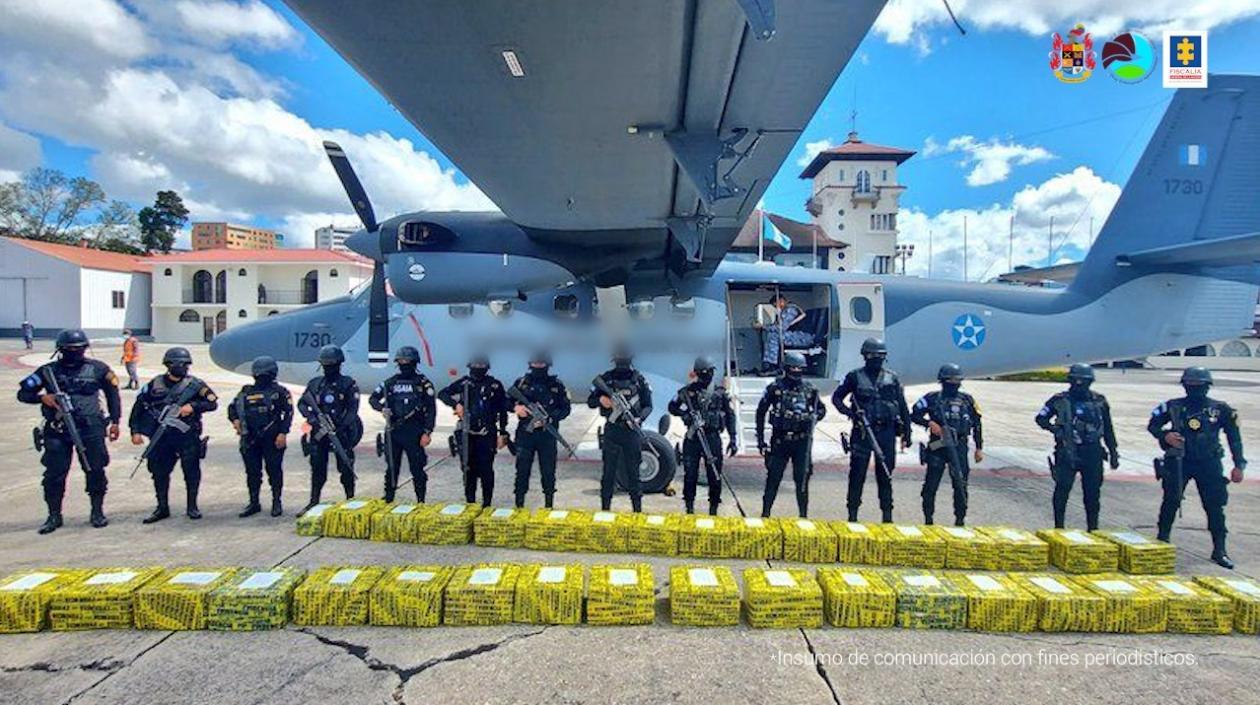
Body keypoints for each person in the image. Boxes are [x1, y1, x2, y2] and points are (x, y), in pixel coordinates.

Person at [18, 329, 121, 533]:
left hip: (90, 428)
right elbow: (23, 393)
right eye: (69, 349)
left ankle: (97, 512)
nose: (74, 353)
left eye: (78, 349)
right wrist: (42, 398)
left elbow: (113, 395)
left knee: (95, 469)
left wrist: (115, 422)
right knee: (54, 474)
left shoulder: (99, 369)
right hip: (58, 430)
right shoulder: (48, 371)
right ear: (60, 350)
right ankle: (54, 515)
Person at [1148, 367, 1246, 568]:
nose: (1194, 389)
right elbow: (1153, 425)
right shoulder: (1172, 406)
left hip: (1209, 463)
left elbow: (1234, 438)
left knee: (1214, 506)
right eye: (1191, 385)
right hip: (1180, 461)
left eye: (1198, 386)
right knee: (1171, 501)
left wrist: (1239, 465)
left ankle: (1220, 550)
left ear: (1207, 387)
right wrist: (1165, 436)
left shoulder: (1221, 409)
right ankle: (1162, 541)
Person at [129, 347, 217, 523]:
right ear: (169, 365)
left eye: (186, 365)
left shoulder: (195, 385)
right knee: (159, 473)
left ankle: (192, 506)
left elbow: (212, 403)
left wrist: (193, 407)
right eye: (180, 364)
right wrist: (135, 431)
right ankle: (162, 508)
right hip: (161, 437)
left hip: (187, 436)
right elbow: (138, 407)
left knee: (191, 472)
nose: (184, 368)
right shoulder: (154, 384)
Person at [832, 338, 911, 523]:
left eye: (880, 356)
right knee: (857, 475)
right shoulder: (854, 377)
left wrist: (907, 433)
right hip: (862, 433)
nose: (876, 359)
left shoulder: (892, 378)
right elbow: (837, 398)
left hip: (886, 433)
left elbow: (902, 406)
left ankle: (887, 516)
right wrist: (851, 414)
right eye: (873, 355)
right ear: (865, 356)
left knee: (885, 475)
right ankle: (852, 515)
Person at [1035, 363, 1119, 531]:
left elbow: (1108, 428)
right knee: (1062, 490)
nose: (1079, 385)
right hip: (1067, 451)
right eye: (1076, 381)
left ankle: (1093, 529)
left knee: (1092, 494)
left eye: (1083, 381)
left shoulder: (1099, 401)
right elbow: (1041, 418)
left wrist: (1113, 451)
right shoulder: (1060, 400)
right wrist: (1056, 430)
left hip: (1093, 452)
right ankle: (1059, 527)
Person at [911, 364, 983, 526]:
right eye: (950, 380)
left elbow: (977, 424)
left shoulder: (967, 400)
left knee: (960, 484)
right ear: (942, 381)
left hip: (959, 446)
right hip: (938, 445)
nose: (954, 384)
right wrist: (929, 423)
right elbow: (914, 414)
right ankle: (928, 520)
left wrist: (979, 448)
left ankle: (960, 520)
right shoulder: (932, 398)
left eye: (957, 380)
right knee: (930, 486)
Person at [756, 352, 826, 517]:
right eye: (793, 368)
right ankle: (765, 514)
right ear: (786, 368)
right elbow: (761, 412)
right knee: (773, 478)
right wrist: (761, 440)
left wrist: (812, 418)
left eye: (799, 368)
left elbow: (822, 410)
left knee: (802, 480)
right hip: (780, 440)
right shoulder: (775, 388)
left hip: (802, 442)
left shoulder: (809, 389)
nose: (796, 371)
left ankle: (803, 516)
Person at [668, 356, 737, 515]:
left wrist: (733, 438)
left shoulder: (719, 393)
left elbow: (730, 415)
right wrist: (685, 414)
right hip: (693, 438)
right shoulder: (687, 392)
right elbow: (672, 406)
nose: (708, 376)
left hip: (712, 437)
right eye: (705, 373)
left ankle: (713, 508)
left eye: (710, 372)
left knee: (714, 474)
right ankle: (689, 507)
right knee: (690, 474)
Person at [587, 346, 652, 512]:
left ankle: (637, 510)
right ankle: (605, 509)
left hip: (631, 432)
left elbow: (648, 406)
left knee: (634, 473)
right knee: (608, 473)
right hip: (613, 430)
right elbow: (590, 401)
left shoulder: (639, 380)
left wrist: (639, 419)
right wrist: (601, 400)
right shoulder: (606, 379)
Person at [368, 346, 437, 503]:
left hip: (415, 431)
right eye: (401, 361)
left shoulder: (423, 384)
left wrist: (428, 432)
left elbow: (431, 409)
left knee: (417, 468)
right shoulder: (391, 382)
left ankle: (420, 500)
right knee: (392, 468)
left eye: (407, 361)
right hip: (394, 430)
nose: (404, 364)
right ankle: (389, 498)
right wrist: (382, 408)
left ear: (414, 362)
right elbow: (373, 399)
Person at [297, 344, 362, 510]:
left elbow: (352, 410)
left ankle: (350, 500)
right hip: (319, 433)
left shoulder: (348, 384)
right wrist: (312, 418)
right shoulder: (315, 384)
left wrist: (340, 426)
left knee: (346, 466)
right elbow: (302, 404)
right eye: (325, 365)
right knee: (317, 468)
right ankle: (314, 501)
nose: (328, 368)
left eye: (332, 365)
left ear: (339, 364)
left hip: (341, 433)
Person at [439, 354, 509, 506]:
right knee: (468, 468)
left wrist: (503, 432)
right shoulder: (464, 383)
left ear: (487, 368)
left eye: (481, 366)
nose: (478, 368)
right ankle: (470, 502)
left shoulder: (495, 385)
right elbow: (442, 393)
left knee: (486, 469)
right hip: (467, 433)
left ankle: (487, 503)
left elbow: (503, 409)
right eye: (476, 366)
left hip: (487, 432)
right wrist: (456, 405)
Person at [228, 355, 292, 517]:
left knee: (274, 471)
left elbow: (288, 413)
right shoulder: (246, 392)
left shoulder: (280, 392)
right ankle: (254, 502)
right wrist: (235, 420)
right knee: (252, 472)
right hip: (250, 438)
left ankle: (276, 502)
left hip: (272, 437)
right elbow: (232, 408)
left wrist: (283, 433)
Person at [509, 351, 571, 509]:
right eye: (535, 363)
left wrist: (549, 418)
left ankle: (549, 505)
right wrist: (516, 408)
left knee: (548, 472)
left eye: (541, 363)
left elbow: (565, 409)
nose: (538, 366)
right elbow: (505, 401)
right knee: (522, 471)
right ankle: (519, 505)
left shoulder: (556, 385)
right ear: (530, 364)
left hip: (547, 436)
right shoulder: (521, 383)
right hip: (525, 435)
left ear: (547, 365)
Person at [760, 295, 808, 375]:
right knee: (770, 334)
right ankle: (770, 364)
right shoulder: (785, 310)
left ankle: (772, 366)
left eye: (776, 306)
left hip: (803, 337)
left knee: (774, 336)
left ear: (781, 301)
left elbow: (781, 328)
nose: (777, 308)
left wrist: (764, 327)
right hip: (795, 335)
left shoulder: (790, 310)